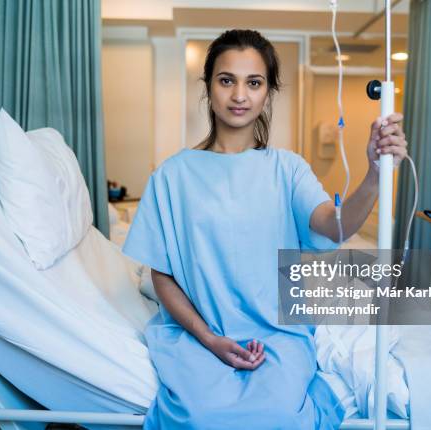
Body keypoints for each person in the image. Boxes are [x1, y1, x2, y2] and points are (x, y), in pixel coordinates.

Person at [122, 29, 408, 429]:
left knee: (278, 416)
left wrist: (375, 174)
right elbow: (162, 273)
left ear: (268, 92)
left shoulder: (287, 169)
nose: (240, 95)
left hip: (277, 334)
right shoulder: (171, 176)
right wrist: (209, 338)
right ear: (208, 87)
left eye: (253, 83)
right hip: (198, 336)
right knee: (200, 417)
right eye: (227, 80)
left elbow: (334, 225)